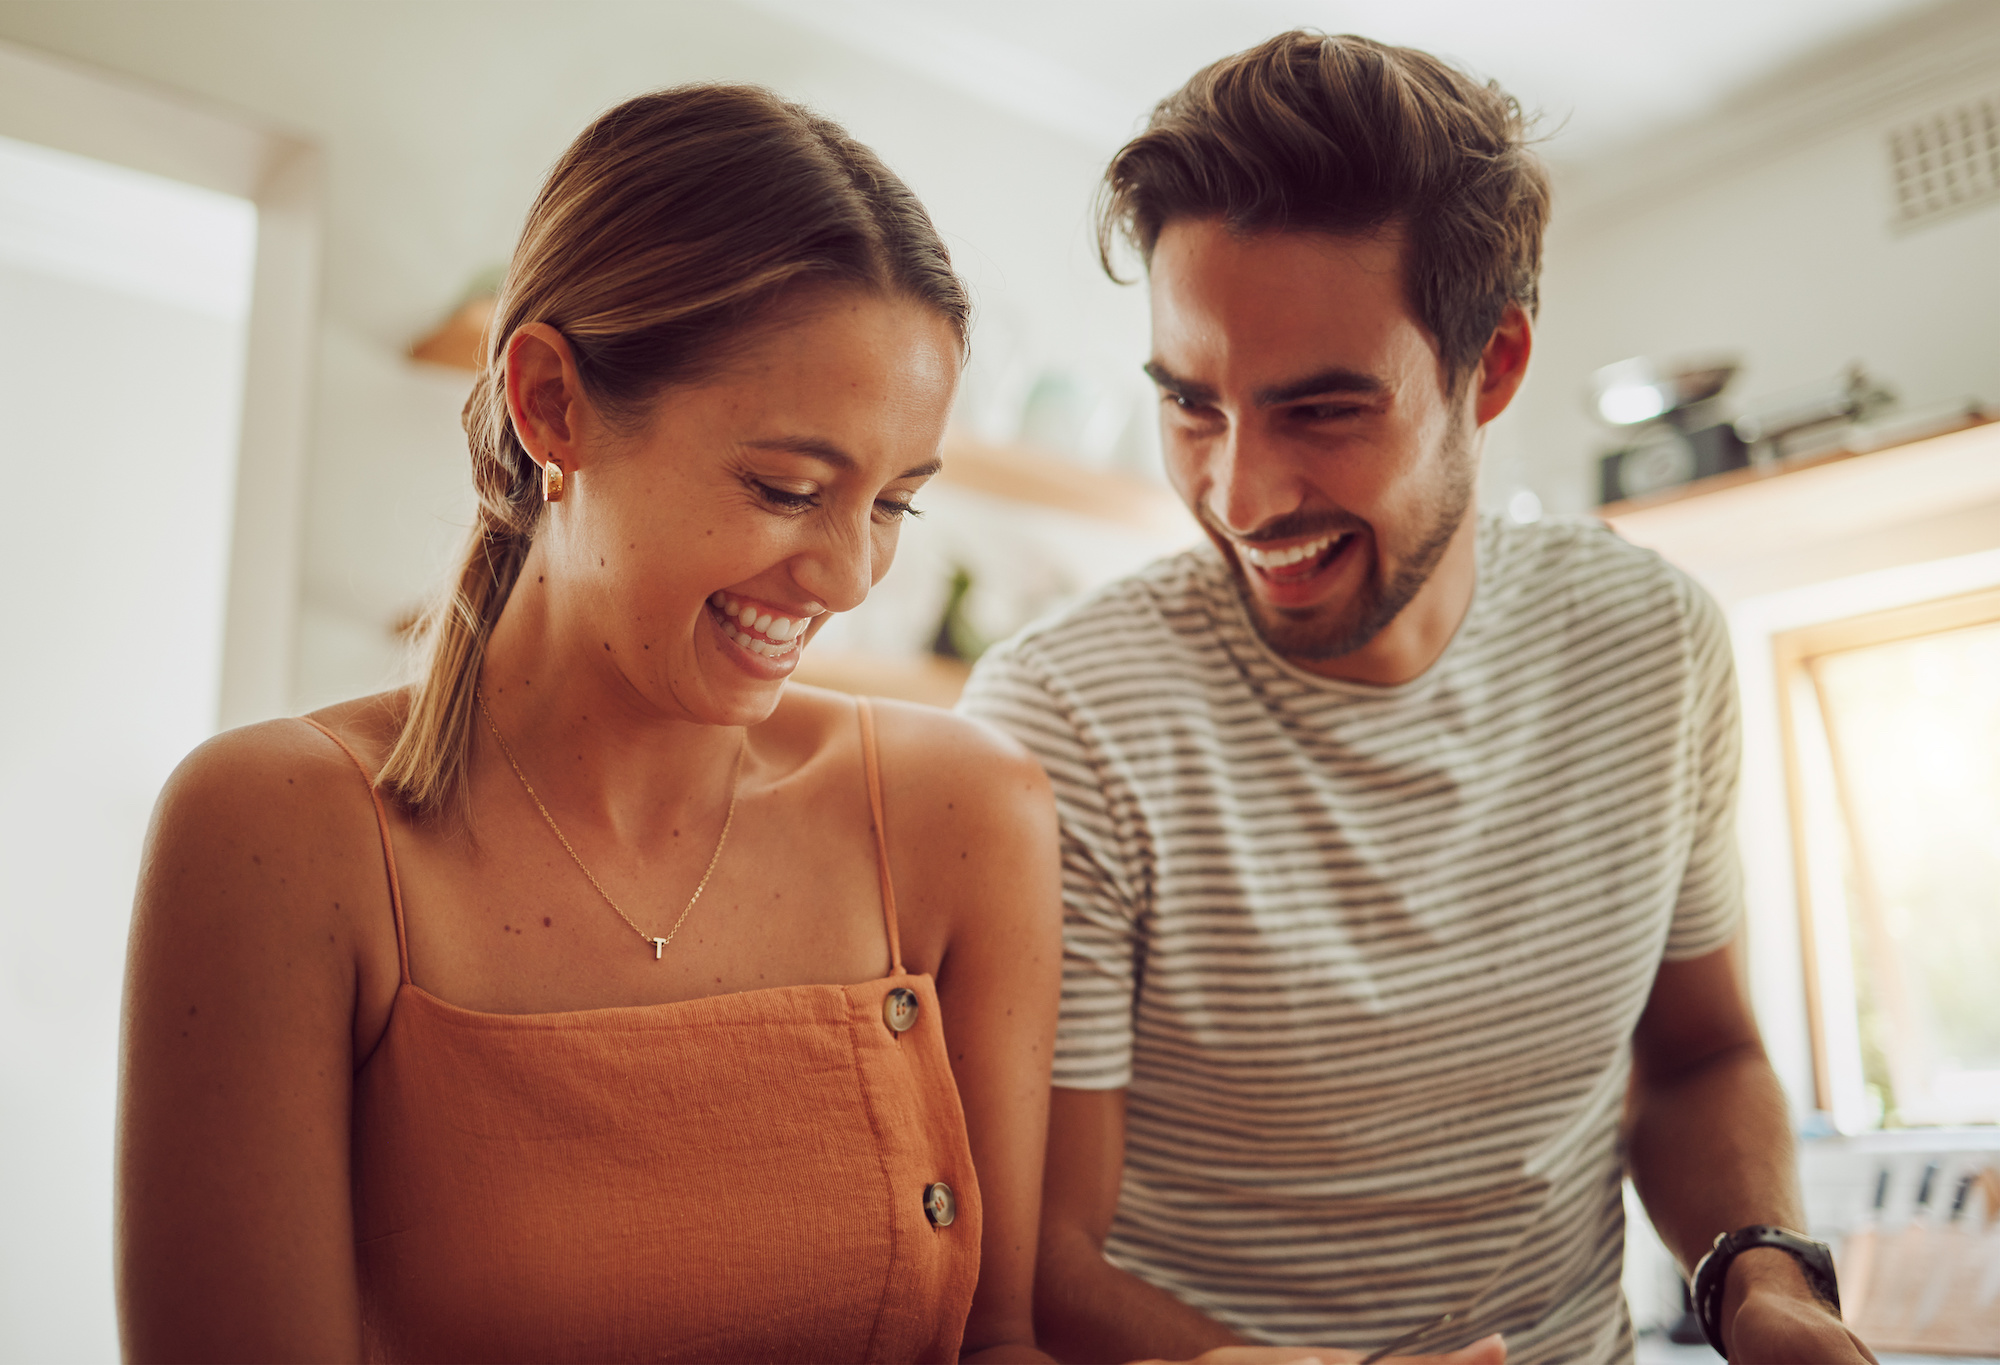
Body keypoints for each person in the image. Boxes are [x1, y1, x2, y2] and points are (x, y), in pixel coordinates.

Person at [959, 32, 1877, 1365]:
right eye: (1192, 406)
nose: (1242, 495)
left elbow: (1697, 1061)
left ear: (1490, 366)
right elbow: (1048, 1265)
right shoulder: (1067, 719)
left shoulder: (1654, 645)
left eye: (1322, 410)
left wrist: (1764, 1284)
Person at [116, 85, 1064, 1363]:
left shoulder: (963, 816)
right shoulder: (281, 834)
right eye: (787, 488)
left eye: (896, 505)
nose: (847, 577)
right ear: (550, 403)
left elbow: (1002, 1345)